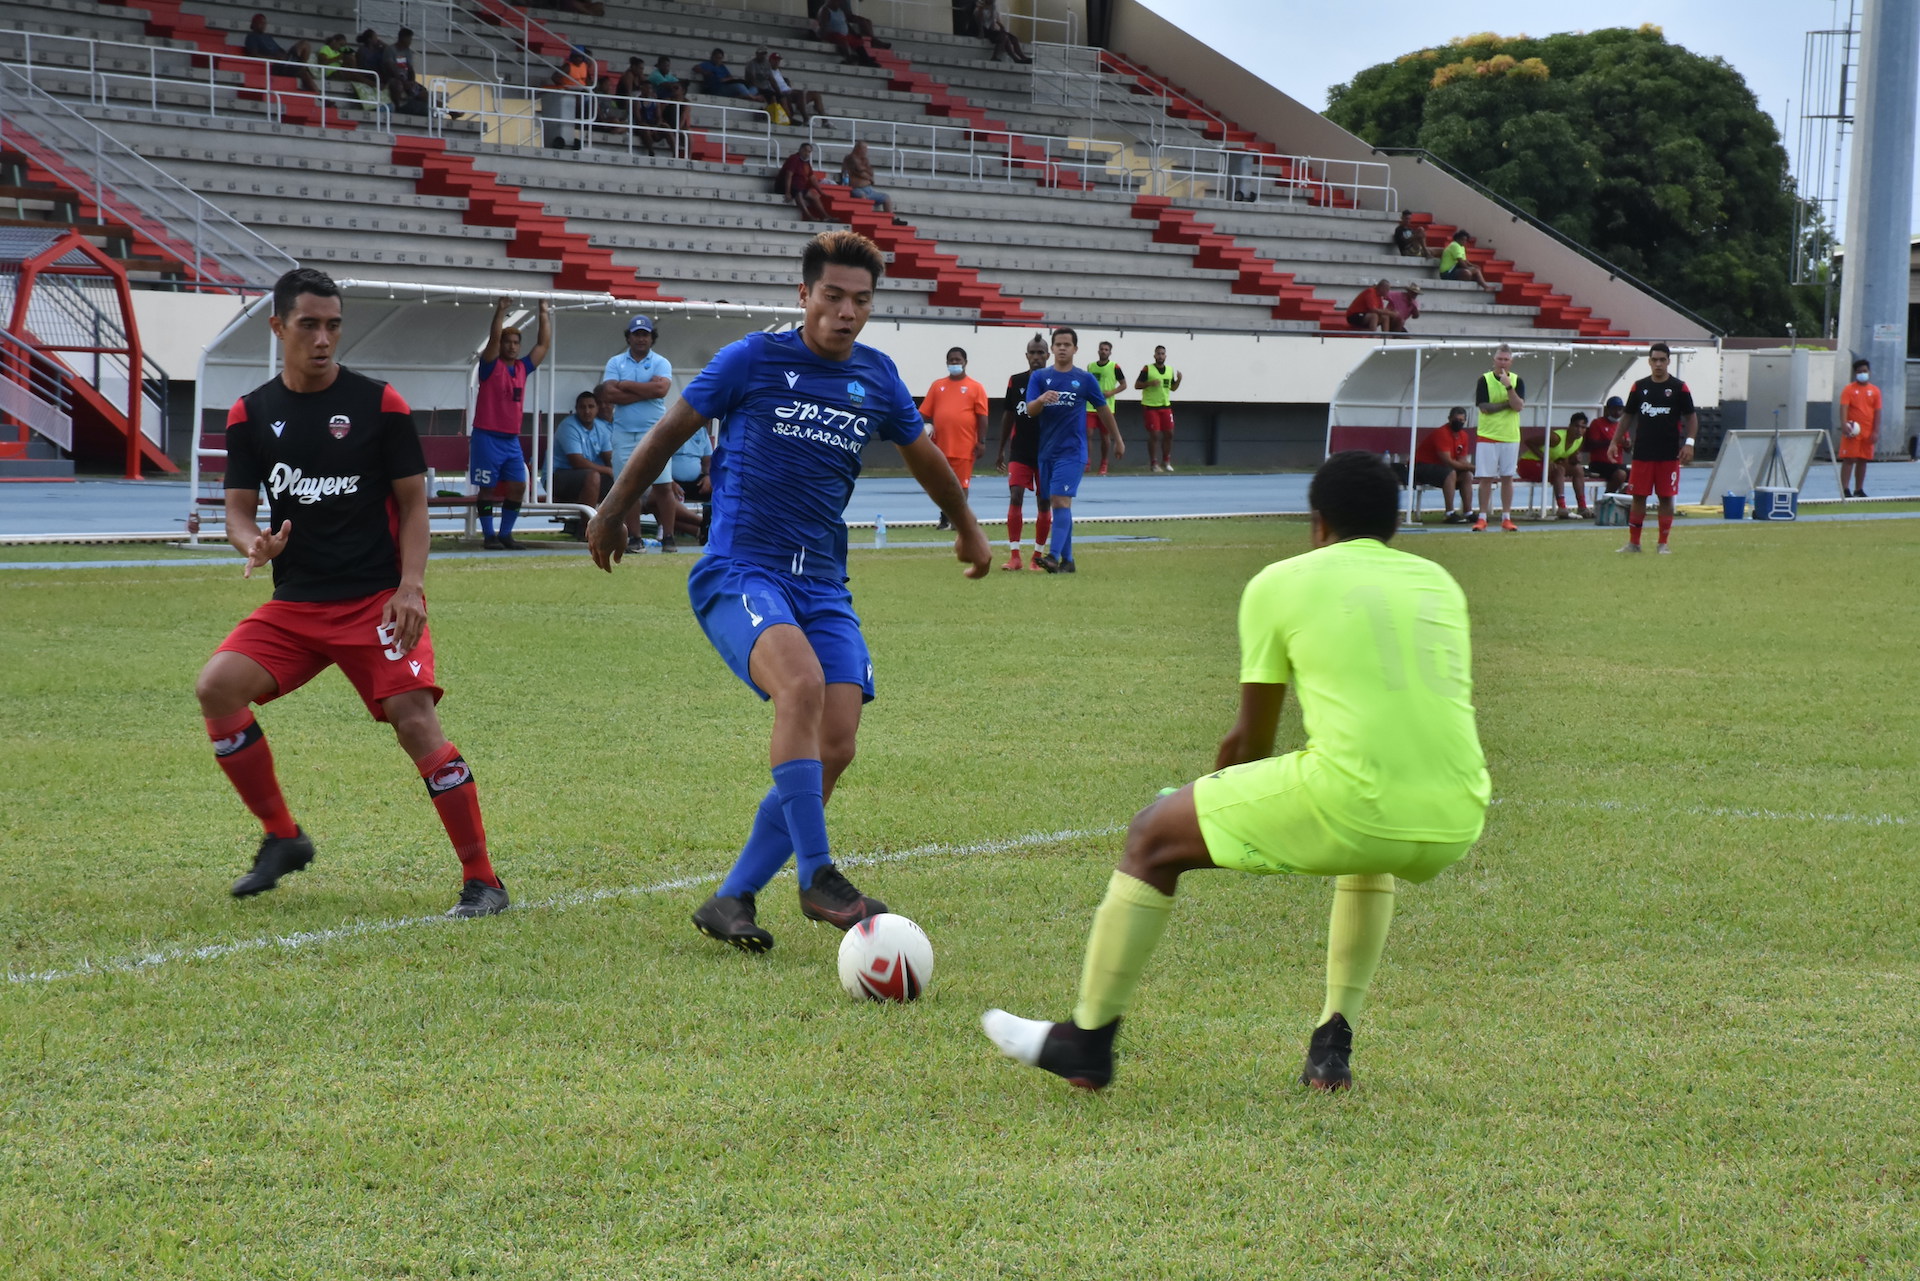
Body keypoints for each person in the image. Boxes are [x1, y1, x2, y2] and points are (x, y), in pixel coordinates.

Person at [982, 450, 1489, 1091]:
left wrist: (1202, 796)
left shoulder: (1280, 581)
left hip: (1358, 800)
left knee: (1150, 837)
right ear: (1391, 526)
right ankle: (1331, 1046)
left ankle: (1087, 1042)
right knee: (1371, 829)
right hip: (1459, 810)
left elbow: (1252, 740)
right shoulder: (1440, 583)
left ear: (1318, 524)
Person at [586, 229, 991, 952]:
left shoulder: (877, 376)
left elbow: (923, 453)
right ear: (802, 295)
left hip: (823, 584)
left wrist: (965, 523)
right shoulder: (753, 358)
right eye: (832, 297)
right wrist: (614, 510)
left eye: (860, 301)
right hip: (741, 570)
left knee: (836, 740)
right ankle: (817, 875)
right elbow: (671, 431)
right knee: (798, 688)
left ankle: (733, 897)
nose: (845, 313)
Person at [194, 267, 508, 919]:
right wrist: (252, 542)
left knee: (415, 722)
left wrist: (412, 587)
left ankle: (484, 880)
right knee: (216, 685)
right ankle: (283, 836)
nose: (323, 337)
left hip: (375, 602)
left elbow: (414, 505)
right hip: (297, 604)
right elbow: (236, 511)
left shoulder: (379, 405)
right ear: (278, 326)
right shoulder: (251, 414)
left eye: (333, 324)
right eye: (308, 324)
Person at [1026, 327, 1123, 573]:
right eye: (1058, 344)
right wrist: (1041, 400)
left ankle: (1053, 556)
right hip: (1046, 452)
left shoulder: (1085, 379)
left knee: (1060, 500)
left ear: (1075, 349)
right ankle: (1068, 562)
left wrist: (1117, 439)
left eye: (1067, 344)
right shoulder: (1039, 378)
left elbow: (1102, 409)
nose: (1062, 348)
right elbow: (1029, 410)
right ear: (1052, 349)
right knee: (1059, 504)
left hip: (1072, 451)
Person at [470, 296, 551, 550]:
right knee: (487, 489)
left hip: (511, 440)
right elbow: (493, 340)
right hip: (486, 436)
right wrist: (501, 310)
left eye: (516, 343)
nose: (513, 347)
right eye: (509, 342)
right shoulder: (489, 366)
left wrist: (543, 312)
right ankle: (488, 535)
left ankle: (506, 534)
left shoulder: (522, 368)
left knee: (518, 486)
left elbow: (543, 344)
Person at [598, 315, 676, 553]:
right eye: (636, 334)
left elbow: (661, 390)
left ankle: (669, 538)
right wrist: (646, 389)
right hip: (623, 433)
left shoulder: (661, 362)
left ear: (652, 337)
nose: (641, 338)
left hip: (655, 432)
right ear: (628, 337)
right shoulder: (615, 362)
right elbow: (608, 393)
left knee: (663, 486)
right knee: (628, 486)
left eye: (645, 334)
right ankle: (634, 537)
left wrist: (627, 385)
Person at [1611, 341, 1695, 554]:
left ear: (1668, 361)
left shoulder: (1679, 388)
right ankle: (1634, 543)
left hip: (1668, 453)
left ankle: (1663, 544)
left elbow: (1691, 417)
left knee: (1666, 497)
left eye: (1662, 360)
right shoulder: (1639, 387)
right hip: (1643, 452)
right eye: (1654, 360)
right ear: (1649, 362)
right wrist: (1615, 441)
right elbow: (1627, 416)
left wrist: (1689, 443)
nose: (1658, 364)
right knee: (1638, 496)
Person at [995, 333, 1052, 571]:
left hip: (1047, 452)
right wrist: (1000, 449)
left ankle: (1036, 557)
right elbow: (1009, 414)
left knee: (1043, 502)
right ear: (1026, 355)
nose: (1037, 357)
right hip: (1020, 450)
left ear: (1047, 356)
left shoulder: (1056, 381)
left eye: (1041, 353)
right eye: (1033, 352)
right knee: (1015, 496)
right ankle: (1015, 556)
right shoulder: (1015, 381)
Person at [921, 346, 989, 529]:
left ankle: (960, 520)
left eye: (958, 360)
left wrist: (981, 442)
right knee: (941, 485)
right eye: (951, 360)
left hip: (964, 446)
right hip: (940, 446)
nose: (954, 363)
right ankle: (945, 518)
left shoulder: (976, 387)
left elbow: (982, 417)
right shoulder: (938, 386)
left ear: (965, 362)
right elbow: (924, 413)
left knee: (961, 486)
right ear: (946, 363)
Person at [1470, 343, 1523, 532]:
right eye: (1500, 359)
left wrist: (1509, 388)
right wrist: (1506, 404)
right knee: (1486, 477)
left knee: (1508, 477)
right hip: (1488, 435)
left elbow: (1518, 405)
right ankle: (1482, 517)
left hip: (1510, 435)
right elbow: (1485, 407)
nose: (1502, 363)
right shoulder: (1484, 380)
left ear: (1511, 361)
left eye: (1506, 360)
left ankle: (1506, 517)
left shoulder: (1517, 380)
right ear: (1494, 360)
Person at [553, 389, 614, 537]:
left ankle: (619, 529)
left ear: (597, 408)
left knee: (620, 478)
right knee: (594, 476)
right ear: (576, 409)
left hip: (586, 477)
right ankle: (586, 529)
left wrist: (620, 472)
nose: (587, 411)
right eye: (582, 407)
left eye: (591, 406)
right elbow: (577, 462)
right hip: (558, 478)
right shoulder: (569, 426)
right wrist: (608, 471)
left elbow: (609, 458)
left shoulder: (601, 427)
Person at [1518, 412, 1592, 520]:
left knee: (1578, 470)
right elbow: (1529, 442)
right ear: (1570, 426)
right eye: (1576, 426)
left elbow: (1564, 458)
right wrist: (1546, 459)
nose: (1579, 430)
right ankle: (1562, 508)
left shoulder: (1579, 440)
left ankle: (1582, 507)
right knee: (1559, 469)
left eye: (1583, 427)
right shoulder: (1556, 438)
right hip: (1527, 464)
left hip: (1548, 467)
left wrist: (1574, 459)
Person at [1412, 406, 1475, 523]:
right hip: (1421, 467)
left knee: (1466, 475)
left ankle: (1468, 512)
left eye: (1462, 420)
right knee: (1450, 473)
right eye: (1457, 420)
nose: (1459, 423)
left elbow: (1462, 460)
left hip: (1442, 469)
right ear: (1449, 419)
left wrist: (1469, 468)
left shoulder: (1463, 436)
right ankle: (1449, 513)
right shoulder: (1442, 433)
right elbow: (1448, 461)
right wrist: (1472, 467)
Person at [243, 14, 320, 95]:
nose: (263, 25)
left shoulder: (267, 36)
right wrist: (274, 59)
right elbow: (254, 55)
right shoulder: (251, 37)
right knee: (303, 69)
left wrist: (283, 55)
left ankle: (301, 66)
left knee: (305, 45)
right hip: (277, 66)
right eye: (261, 23)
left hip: (284, 60)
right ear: (254, 24)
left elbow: (279, 49)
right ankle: (320, 97)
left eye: (265, 23)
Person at [1838, 358, 1881, 498]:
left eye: (1864, 371)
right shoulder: (1849, 389)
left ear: (1869, 372)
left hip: (1867, 431)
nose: (1862, 374)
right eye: (1859, 372)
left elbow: (1878, 411)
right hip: (1853, 430)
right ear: (1855, 373)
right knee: (1849, 459)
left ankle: (1859, 489)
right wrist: (1844, 424)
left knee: (1863, 460)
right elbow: (1844, 407)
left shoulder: (1875, 391)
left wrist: (1875, 431)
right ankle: (1845, 489)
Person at [1134, 345, 1181, 473]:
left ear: (1165, 356)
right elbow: (1137, 385)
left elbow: (1172, 388)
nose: (1160, 356)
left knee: (1169, 433)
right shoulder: (1147, 369)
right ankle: (1153, 463)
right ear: (1154, 356)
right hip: (1151, 406)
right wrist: (1149, 383)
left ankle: (1166, 461)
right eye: (1158, 354)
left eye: (1162, 354)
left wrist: (1179, 380)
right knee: (1154, 434)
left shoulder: (1169, 370)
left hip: (1165, 406)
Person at [751, 51, 829, 126]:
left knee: (816, 94)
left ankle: (825, 121)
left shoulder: (777, 70)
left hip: (789, 91)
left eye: (778, 60)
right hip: (781, 93)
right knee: (800, 93)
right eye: (775, 60)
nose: (777, 62)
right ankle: (806, 119)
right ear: (770, 61)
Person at [1085, 340, 1125, 476]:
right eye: (1101, 349)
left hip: (1107, 407)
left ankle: (1104, 463)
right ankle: (1087, 462)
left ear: (1110, 352)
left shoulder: (1115, 367)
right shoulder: (1090, 366)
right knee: (1087, 433)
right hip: (1090, 406)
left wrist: (1111, 392)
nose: (1103, 351)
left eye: (1106, 349)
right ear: (1098, 351)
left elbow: (1123, 385)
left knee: (1105, 437)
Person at [1583, 396, 1629, 494]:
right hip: (1599, 464)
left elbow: (1628, 450)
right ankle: (1607, 498)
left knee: (1637, 476)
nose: (1617, 412)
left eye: (1620, 409)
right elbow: (1591, 445)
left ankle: (1619, 500)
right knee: (1620, 474)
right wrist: (1612, 441)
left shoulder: (1622, 425)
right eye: (1614, 409)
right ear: (1608, 409)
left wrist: (1627, 444)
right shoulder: (1597, 423)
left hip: (1617, 465)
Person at [777, 142, 828, 222]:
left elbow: (812, 177)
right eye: (805, 151)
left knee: (814, 195)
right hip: (786, 186)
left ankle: (825, 216)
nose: (807, 154)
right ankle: (808, 216)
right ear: (800, 150)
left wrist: (821, 192)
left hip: (799, 187)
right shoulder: (794, 159)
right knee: (799, 193)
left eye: (809, 152)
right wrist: (788, 192)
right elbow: (788, 176)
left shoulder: (806, 162)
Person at [692, 47, 765, 102]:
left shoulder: (722, 67)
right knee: (740, 86)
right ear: (712, 57)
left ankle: (744, 96)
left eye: (720, 58)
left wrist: (725, 79)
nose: (718, 60)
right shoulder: (708, 64)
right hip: (717, 89)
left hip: (726, 86)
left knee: (754, 88)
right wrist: (705, 72)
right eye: (717, 58)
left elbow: (730, 77)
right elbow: (695, 68)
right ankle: (753, 97)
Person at [838, 140, 892, 214]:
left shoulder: (865, 160)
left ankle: (891, 220)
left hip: (869, 190)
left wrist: (866, 172)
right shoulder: (850, 158)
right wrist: (869, 177)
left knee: (886, 198)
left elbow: (871, 172)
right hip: (856, 189)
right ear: (857, 148)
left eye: (866, 149)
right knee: (863, 198)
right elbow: (859, 171)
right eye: (864, 149)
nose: (866, 151)